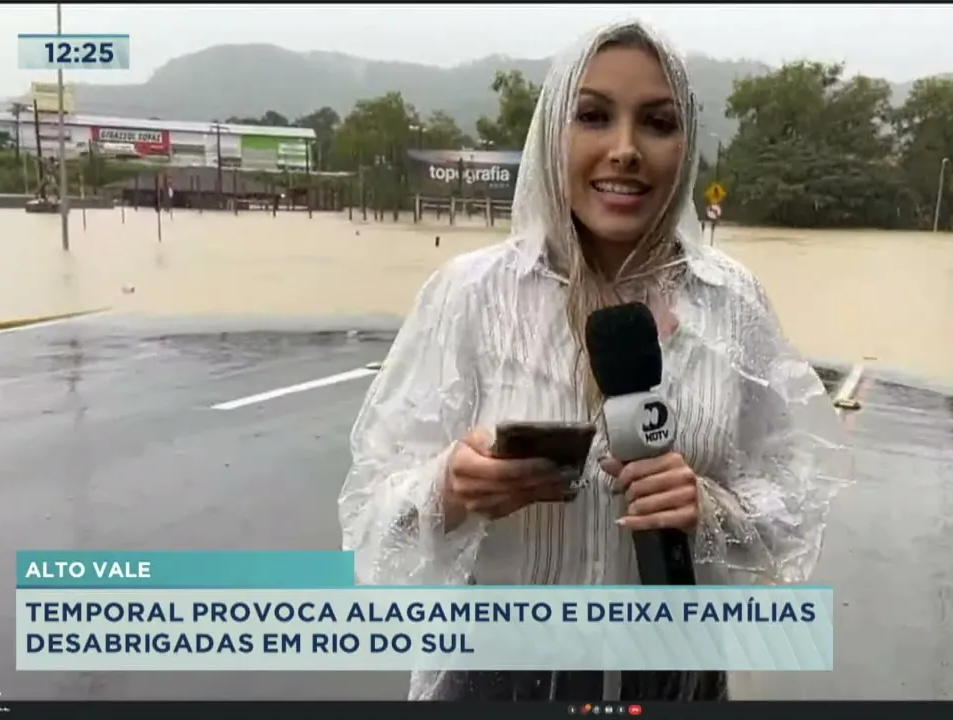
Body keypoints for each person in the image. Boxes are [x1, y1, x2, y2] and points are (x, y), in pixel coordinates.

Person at [338, 19, 852, 702]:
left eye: (658, 122)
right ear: (555, 131)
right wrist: (450, 490)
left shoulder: (731, 303)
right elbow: (370, 514)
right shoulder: (472, 294)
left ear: (687, 143)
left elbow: (795, 501)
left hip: (676, 679)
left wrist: (712, 508)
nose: (624, 150)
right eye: (593, 116)